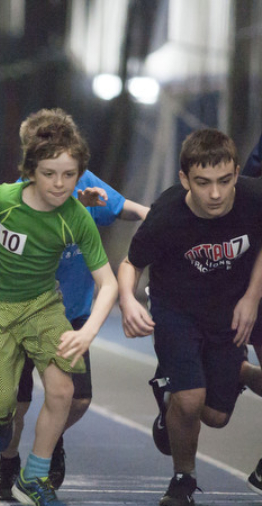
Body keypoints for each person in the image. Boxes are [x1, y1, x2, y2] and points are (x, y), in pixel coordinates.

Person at [0, 108, 118, 506]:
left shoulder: (77, 217)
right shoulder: (4, 198)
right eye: (49, 174)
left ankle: (35, 474)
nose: (59, 184)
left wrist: (87, 331)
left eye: (68, 175)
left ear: (80, 174)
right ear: (30, 171)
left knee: (62, 390)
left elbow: (108, 282)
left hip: (42, 306)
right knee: (4, 403)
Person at [0, 119, 150, 500]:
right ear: (30, 163)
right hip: (21, 312)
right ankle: (8, 461)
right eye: (45, 165)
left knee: (74, 399)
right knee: (16, 404)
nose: (58, 177)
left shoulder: (86, 181)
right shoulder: (12, 200)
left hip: (71, 312)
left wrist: (164, 213)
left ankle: (48, 444)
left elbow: (127, 208)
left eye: (66, 167)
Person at [118, 128, 262, 506]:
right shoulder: (167, 214)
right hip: (176, 310)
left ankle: (238, 373)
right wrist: (128, 302)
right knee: (189, 399)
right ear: (185, 179)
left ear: (235, 173)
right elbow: (130, 263)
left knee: (214, 416)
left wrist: (252, 295)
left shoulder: (253, 197)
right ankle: (183, 479)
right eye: (203, 183)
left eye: (224, 181)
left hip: (228, 312)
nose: (215, 194)